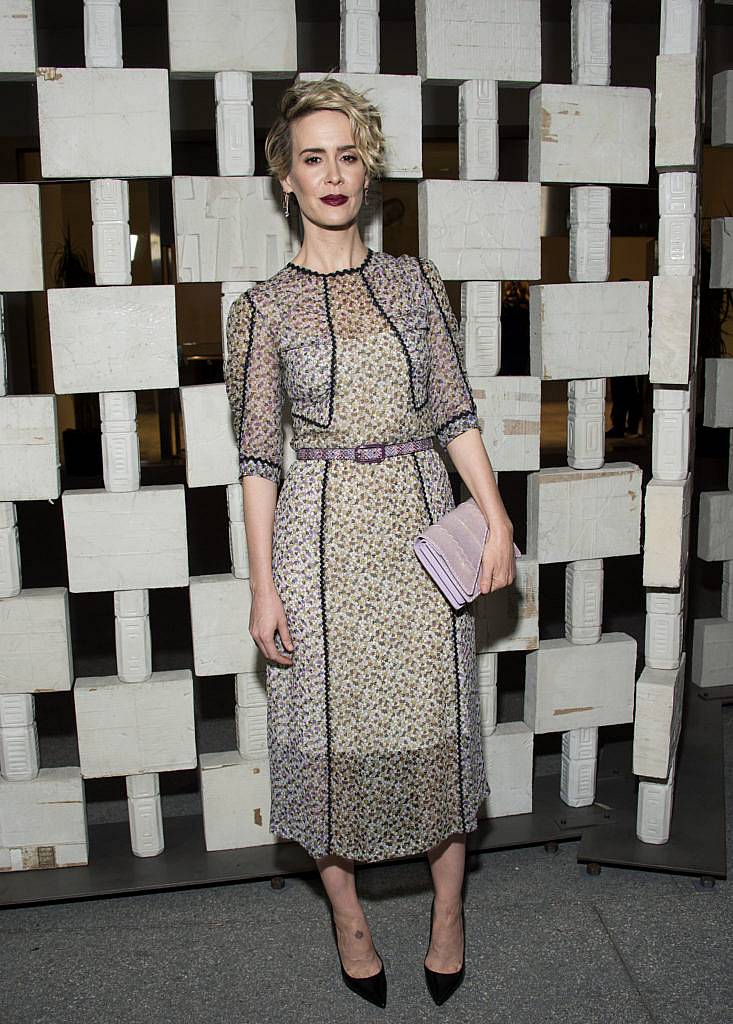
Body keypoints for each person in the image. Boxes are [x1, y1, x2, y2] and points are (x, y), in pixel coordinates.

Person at [223, 75, 516, 1009]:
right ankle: (346, 918)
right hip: (317, 538)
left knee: (439, 721)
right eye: (313, 158)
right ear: (286, 179)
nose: (333, 174)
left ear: (368, 167)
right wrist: (263, 586)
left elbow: (454, 411)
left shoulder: (413, 282)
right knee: (320, 730)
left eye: (348, 154)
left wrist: (496, 514)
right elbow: (259, 459)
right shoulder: (263, 310)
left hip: (422, 527)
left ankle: (446, 913)